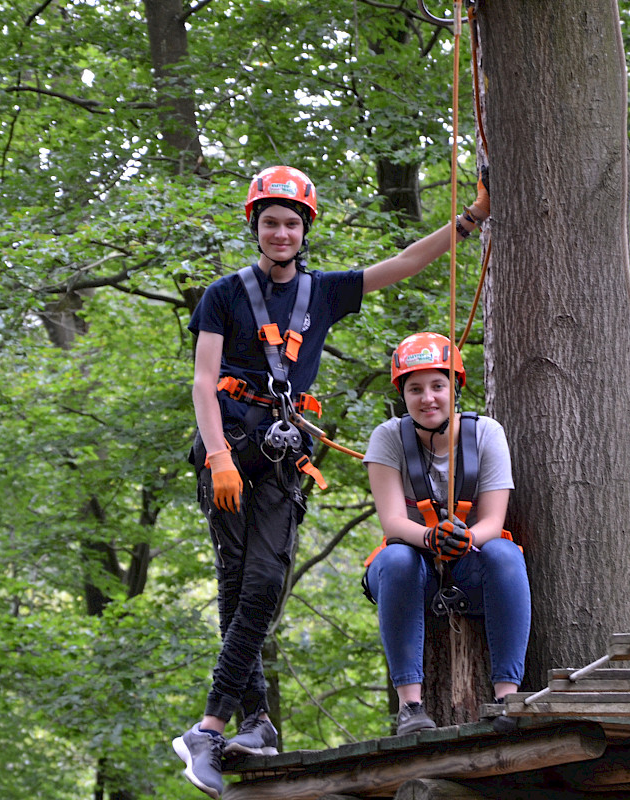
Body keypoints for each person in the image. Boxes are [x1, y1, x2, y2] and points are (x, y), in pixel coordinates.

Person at [173, 167, 490, 799]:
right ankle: (251, 721)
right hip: (232, 446)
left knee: (264, 583)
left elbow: (402, 262)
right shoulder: (224, 295)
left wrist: (473, 218)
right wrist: (216, 457)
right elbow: (204, 381)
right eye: (271, 222)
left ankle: (211, 725)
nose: (281, 232)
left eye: (291, 222)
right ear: (255, 227)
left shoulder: (323, 293)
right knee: (239, 591)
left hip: (282, 452)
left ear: (305, 227)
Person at [362, 332, 531, 735]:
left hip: (471, 567)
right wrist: (431, 538)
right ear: (402, 394)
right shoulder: (388, 438)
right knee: (395, 557)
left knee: (506, 554)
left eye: (438, 386)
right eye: (416, 388)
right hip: (410, 572)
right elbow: (392, 523)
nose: (428, 398)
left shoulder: (486, 434)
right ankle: (411, 706)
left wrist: (464, 539)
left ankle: (508, 698)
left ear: (454, 388)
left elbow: (493, 519)